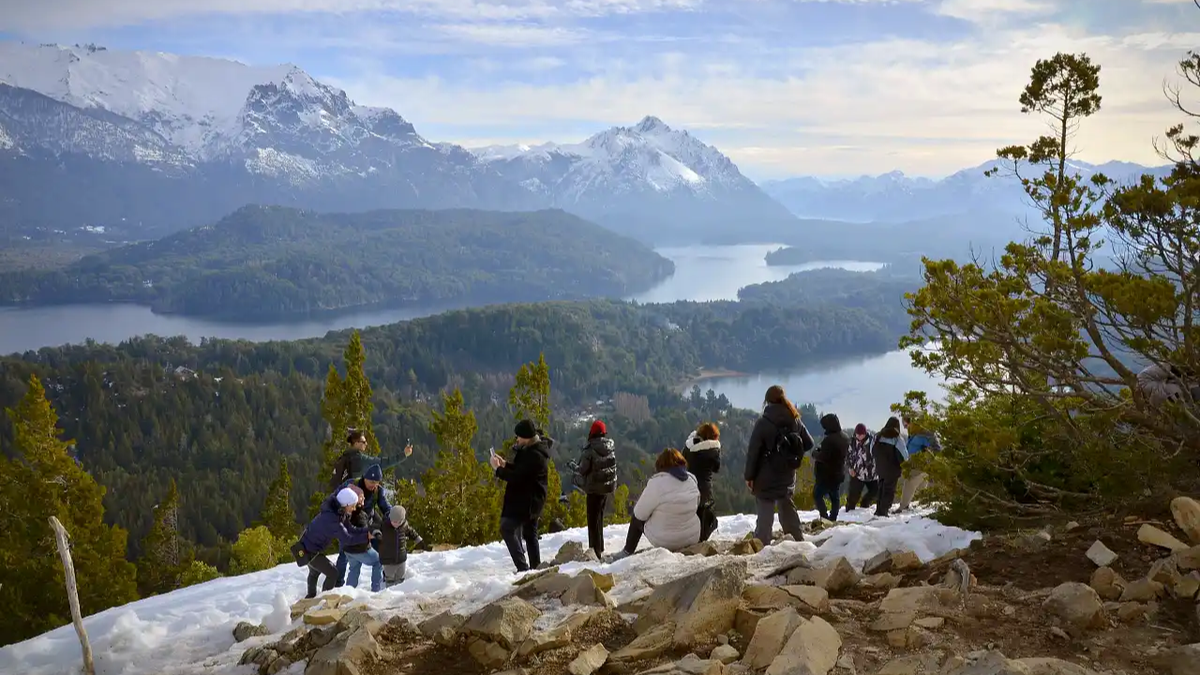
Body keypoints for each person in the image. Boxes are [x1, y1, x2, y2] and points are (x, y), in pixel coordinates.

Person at [745, 385, 813, 546]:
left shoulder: (763, 422)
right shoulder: (795, 419)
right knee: (786, 505)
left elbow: (753, 453)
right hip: (788, 474)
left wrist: (749, 477)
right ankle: (798, 542)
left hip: (765, 477)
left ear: (767, 401)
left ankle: (761, 546)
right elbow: (809, 443)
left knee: (765, 512)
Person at [612, 448, 701, 559]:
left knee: (637, 518)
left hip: (666, 541)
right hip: (692, 537)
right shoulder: (692, 479)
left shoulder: (656, 483)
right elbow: (697, 503)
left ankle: (627, 551)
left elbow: (639, 514)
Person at [491, 419, 552, 572]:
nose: (517, 439)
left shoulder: (534, 455)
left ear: (526, 437)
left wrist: (498, 470)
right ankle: (536, 568)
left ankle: (523, 568)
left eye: (518, 437)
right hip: (533, 500)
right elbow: (521, 469)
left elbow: (518, 477)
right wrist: (505, 464)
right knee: (530, 534)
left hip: (528, 502)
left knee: (507, 528)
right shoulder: (534, 451)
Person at [297, 487, 371, 599]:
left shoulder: (336, 511)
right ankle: (325, 600)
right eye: (353, 506)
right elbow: (348, 539)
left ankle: (310, 597)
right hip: (309, 551)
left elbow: (350, 529)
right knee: (333, 573)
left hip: (305, 546)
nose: (354, 508)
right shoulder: (333, 520)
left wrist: (367, 530)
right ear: (346, 504)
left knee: (314, 571)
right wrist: (366, 537)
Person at [337, 463, 392, 585]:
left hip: (367, 523)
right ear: (364, 478)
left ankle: (384, 579)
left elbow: (385, 507)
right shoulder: (351, 484)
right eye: (371, 481)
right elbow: (337, 498)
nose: (374, 485)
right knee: (343, 555)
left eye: (376, 482)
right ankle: (338, 584)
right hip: (349, 524)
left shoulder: (378, 491)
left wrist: (393, 515)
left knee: (380, 550)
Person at [572, 419, 617, 558]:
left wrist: (573, 466)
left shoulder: (590, 450)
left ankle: (595, 551)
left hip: (593, 489)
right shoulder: (610, 447)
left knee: (592, 521)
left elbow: (583, 470)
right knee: (600, 518)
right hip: (606, 489)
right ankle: (600, 547)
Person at [683, 422, 722, 541]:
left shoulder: (688, 448)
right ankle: (701, 540)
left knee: (692, 515)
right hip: (705, 488)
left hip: (688, 485)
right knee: (706, 518)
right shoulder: (713, 451)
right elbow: (717, 468)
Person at [898, 417, 942, 512]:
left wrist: (926, 455)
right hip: (915, 464)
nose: (905, 428)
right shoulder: (914, 434)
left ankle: (903, 507)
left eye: (906, 425)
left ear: (912, 423)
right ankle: (922, 505)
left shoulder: (924, 435)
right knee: (921, 485)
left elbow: (935, 449)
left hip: (921, 464)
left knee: (909, 483)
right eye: (903, 425)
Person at [812, 414, 848, 521]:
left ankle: (824, 516)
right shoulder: (845, 438)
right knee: (834, 496)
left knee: (817, 495)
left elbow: (823, 457)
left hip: (826, 474)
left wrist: (815, 453)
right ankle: (833, 517)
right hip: (838, 472)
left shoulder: (829, 440)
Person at [378, 506, 423, 586]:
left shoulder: (404, 525)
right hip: (388, 559)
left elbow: (411, 532)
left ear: (402, 521)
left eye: (398, 522)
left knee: (400, 578)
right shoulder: (384, 525)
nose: (396, 524)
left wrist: (418, 540)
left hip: (401, 557)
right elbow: (374, 528)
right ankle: (390, 593)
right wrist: (376, 533)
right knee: (390, 578)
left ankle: (399, 592)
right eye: (394, 521)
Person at [872, 417, 908, 517]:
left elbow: (872, 450)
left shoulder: (878, 436)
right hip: (893, 469)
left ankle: (878, 510)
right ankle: (884, 511)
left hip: (880, 467)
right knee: (889, 490)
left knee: (881, 488)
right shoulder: (897, 438)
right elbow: (904, 455)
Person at [845, 423, 879, 511]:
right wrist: (850, 467)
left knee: (875, 491)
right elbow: (847, 456)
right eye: (858, 434)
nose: (859, 436)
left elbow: (878, 455)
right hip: (857, 473)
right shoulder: (852, 442)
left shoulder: (872, 442)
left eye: (861, 434)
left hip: (871, 473)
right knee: (853, 495)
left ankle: (864, 504)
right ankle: (849, 511)